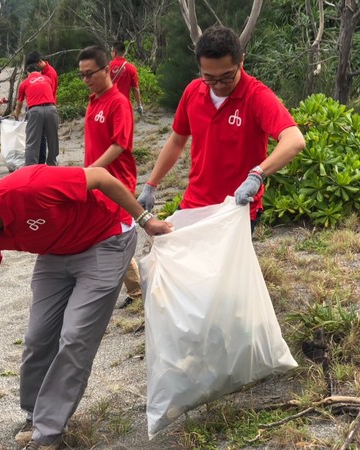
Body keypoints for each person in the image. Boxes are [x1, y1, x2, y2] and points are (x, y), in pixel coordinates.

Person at [0, 165, 172, 450]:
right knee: (37, 337)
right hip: (56, 252)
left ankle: (47, 434)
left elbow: (99, 176)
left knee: (75, 337)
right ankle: (36, 416)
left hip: (106, 239)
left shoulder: (28, 188)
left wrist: (144, 219)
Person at [138, 26, 305, 232]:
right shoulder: (193, 91)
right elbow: (177, 141)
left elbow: (294, 139)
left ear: (241, 61)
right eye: (209, 77)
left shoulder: (256, 96)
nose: (218, 85)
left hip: (236, 209)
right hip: (195, 203)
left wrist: (257, 175)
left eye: (226, 76)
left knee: (224, 265)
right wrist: (151, 184)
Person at [78, 45, 142, 308]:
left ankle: (139, 293)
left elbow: (119, 145)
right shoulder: (94, 101)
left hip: (116, 182)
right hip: (94, 180)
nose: (86, 80)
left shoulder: (118, 102)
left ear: (107, 70)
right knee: (106, 235)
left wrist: (91, 172)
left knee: (117, 235)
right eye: (82, 75)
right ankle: (135, 291)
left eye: (90, 74)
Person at [13, 64, 59, 166]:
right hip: (51, 109)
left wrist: (16, 115)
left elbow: (19, 103)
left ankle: (31, 167)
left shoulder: (24, 83)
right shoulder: (47, 79)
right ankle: (52, 164)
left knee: (32, 142)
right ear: (39, 72)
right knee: (53, 140)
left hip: (35, 111)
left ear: (28, 73)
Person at [26, 51, 59, 164]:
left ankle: (46, 162)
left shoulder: (50, 74)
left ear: (40, 62)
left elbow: (51, 92)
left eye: (36, 66)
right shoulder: (42, 73)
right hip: (40, 107)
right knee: (40, 136)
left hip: (48, 107)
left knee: (49, 138)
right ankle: (40, 161)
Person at [110, 41, 143, 115]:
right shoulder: (131, 68)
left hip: (109, 104)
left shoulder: (107, 67)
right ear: (124, 52)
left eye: (111, 51)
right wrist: (139, 105)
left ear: (114, 52)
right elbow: (135, 88)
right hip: (123, 105)